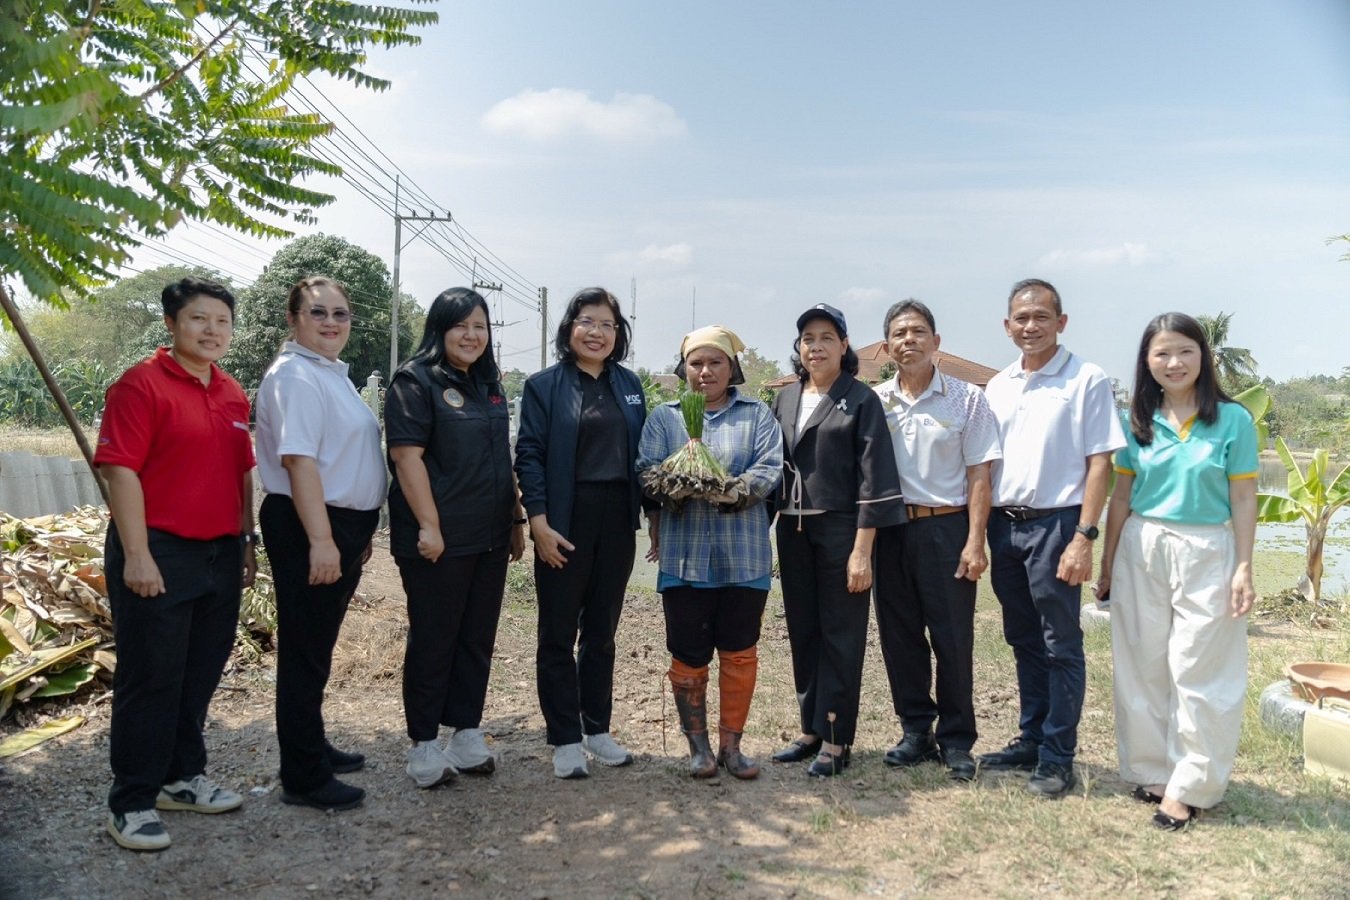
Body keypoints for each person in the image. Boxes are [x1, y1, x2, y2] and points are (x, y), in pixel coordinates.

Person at [95, 277, 256, 851]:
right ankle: (132, 801)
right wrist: (137, 554)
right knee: (152, 675)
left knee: (198, 672)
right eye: (198, 320)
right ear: (171, 325)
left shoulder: (233, 392)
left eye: (222, 322)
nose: (212, 331)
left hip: (218, 550)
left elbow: (242, 472)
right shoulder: (140, 386)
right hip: (158, 548)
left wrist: (247, 541)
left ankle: (181, 779)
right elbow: (120, 471)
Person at [1095, 313, 1258, 831]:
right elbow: (1120, 497)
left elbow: (1243, 495)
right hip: (1142, 544)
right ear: (1147, 361)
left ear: (1202, 357)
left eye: (1185, 351)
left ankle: (1190, 786)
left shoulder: (1233, 421)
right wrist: (1106, 563)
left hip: (1209, 547)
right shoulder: (1135, 419)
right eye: (1162, 353)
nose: (1174, 362)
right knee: (1142, 662)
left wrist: (1245, 567)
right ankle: (1152, 771)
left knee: (1199, 668)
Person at [978, 278, 1126, 798]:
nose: (1031, 326)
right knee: (1022, 637)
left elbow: (1101, 460)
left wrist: (1085, 535)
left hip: (1059, 524)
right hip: (1006, 525)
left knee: (1060, 641)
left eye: (1042, 317)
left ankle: (1058, 755)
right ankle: (1031, 737)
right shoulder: (998, 385)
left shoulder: (1085, 378)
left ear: (1061, 322)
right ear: (1007, 325)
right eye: (1021, 318)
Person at [385, 287, 526, 790]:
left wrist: (514, 519)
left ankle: (465, 732)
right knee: (434, 637)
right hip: (437, 539)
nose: (471, 336)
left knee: (475, 638)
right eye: (461, 326)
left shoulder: (488, 384)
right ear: (439, 329)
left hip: (487, 536)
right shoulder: (414, 380)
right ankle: (423, 743)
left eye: (480, 327)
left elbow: (500, 460)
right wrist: (428, 524)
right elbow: (407, 457)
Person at [255, 277, 386, 811]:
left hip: (337, 524)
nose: (332, 322)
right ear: (294, 319)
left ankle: (312, 745)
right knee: (306, 651)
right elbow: (299, 462)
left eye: (341, 313)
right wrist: (322, 541)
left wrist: (355, 533)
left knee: (318, 647)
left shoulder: (326, 374)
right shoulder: (294, 377)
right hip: (309, 523)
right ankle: (303, 775)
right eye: (318, 313)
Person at [637, 326, 783, 779]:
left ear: (731, 368)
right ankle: (698, 748)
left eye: (715, 362)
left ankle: (732, 747)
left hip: (744, 557)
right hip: (685, 560)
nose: (705, 372)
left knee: (740, 652)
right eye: (696, 363)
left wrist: (730, 490)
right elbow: (646, 469)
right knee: (688, 653)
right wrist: (673, 485)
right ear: (684, 369)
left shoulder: (757, 415)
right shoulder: (666, 418)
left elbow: (769, 468)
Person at [515, 287, 648, 779]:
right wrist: (539, 522)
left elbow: (644, 457)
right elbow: (528, 454)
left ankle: (598, 728)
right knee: (557, 632)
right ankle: (565, 738)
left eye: (608, 325)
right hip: (564, 519)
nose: (597, 332)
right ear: (569, 328)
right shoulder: (544, 386)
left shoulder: (630, 385)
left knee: (602, 632)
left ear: (619, 334)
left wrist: (651, 516)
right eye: (587, 321)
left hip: (616, 520)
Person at [770, 303, 905, 777]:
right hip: (793, 529)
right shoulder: (785, 398)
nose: (816, 346)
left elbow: (874, 479)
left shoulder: (860, 400)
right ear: (799, 347)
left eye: (827, 337)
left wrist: (862, 551)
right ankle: (810, 729)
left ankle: (835, 738)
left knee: (841, 636)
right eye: (808, 338)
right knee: (803, 631)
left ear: (844, 345)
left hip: (841, 530)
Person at [872, 299, 1001, 782]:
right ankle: (915, 730)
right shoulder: (876, 402)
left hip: (946, 529)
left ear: (936, 341)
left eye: (919, 331)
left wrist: (975, 541)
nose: (910, 340)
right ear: (887, 347)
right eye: (900, 334)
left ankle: (957, 739)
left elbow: (980, 477)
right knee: (899, 636)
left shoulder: (967, 399)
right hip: (890, 530)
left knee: (951, 638)